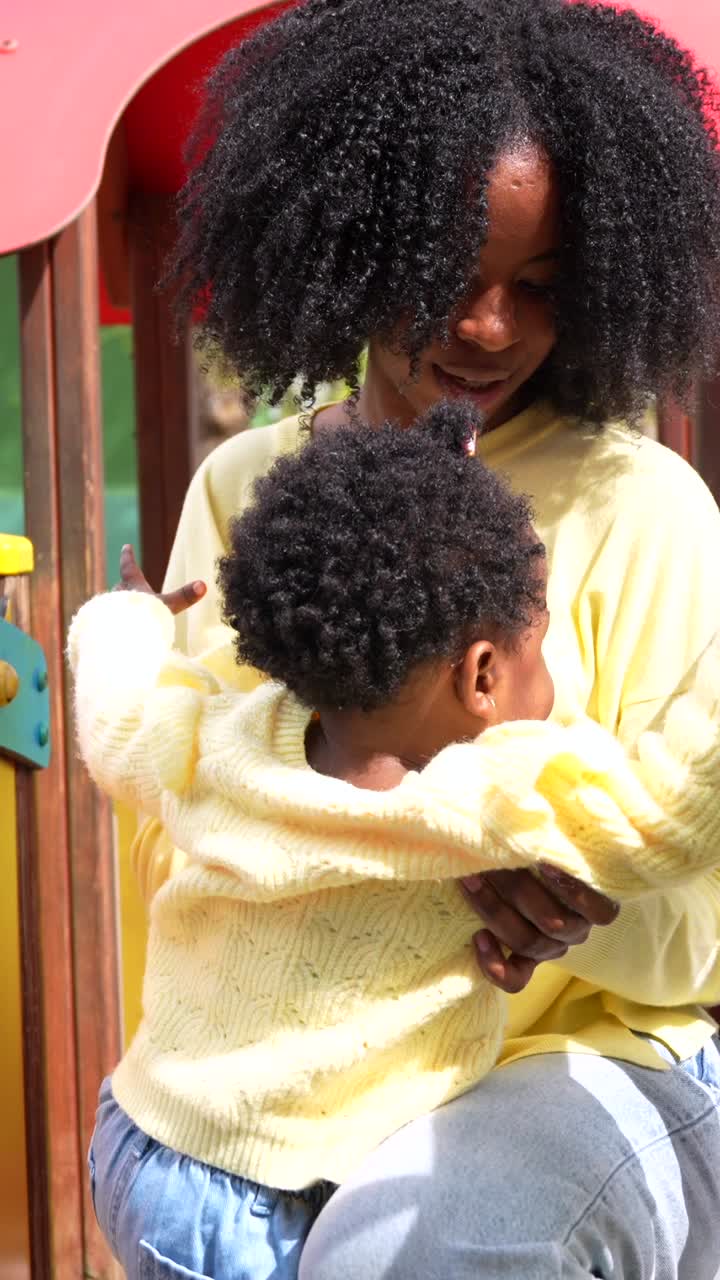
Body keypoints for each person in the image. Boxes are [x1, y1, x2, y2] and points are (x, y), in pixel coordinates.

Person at [133, 0, 720, 1274]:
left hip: (595, 1054)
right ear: (351, 246)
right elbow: (170, 816)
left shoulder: (649, 508)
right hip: (299, 1073)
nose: (492, 326)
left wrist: (569, 886)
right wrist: (439, 848)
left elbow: (685, 930)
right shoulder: (243, 488)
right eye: (448, 275)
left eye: (542, 288)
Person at [73, 403, 720, 1280]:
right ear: (483, 675)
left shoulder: (225, 737)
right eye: (542, 650)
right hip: (288, 1195)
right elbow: (666, 818)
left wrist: (127, 619)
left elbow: (114, 715)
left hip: (145, 1155)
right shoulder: (484, 796)